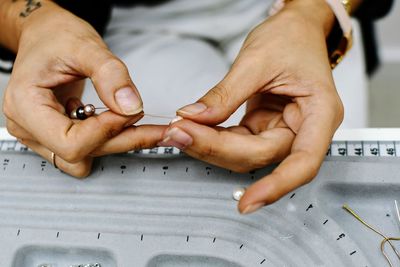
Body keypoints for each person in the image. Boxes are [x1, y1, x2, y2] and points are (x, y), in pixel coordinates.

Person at [0, 0, 393, 214]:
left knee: (327, 185)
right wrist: (30, 19)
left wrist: (314, 12)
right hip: (115, 24)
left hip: (300, 15)